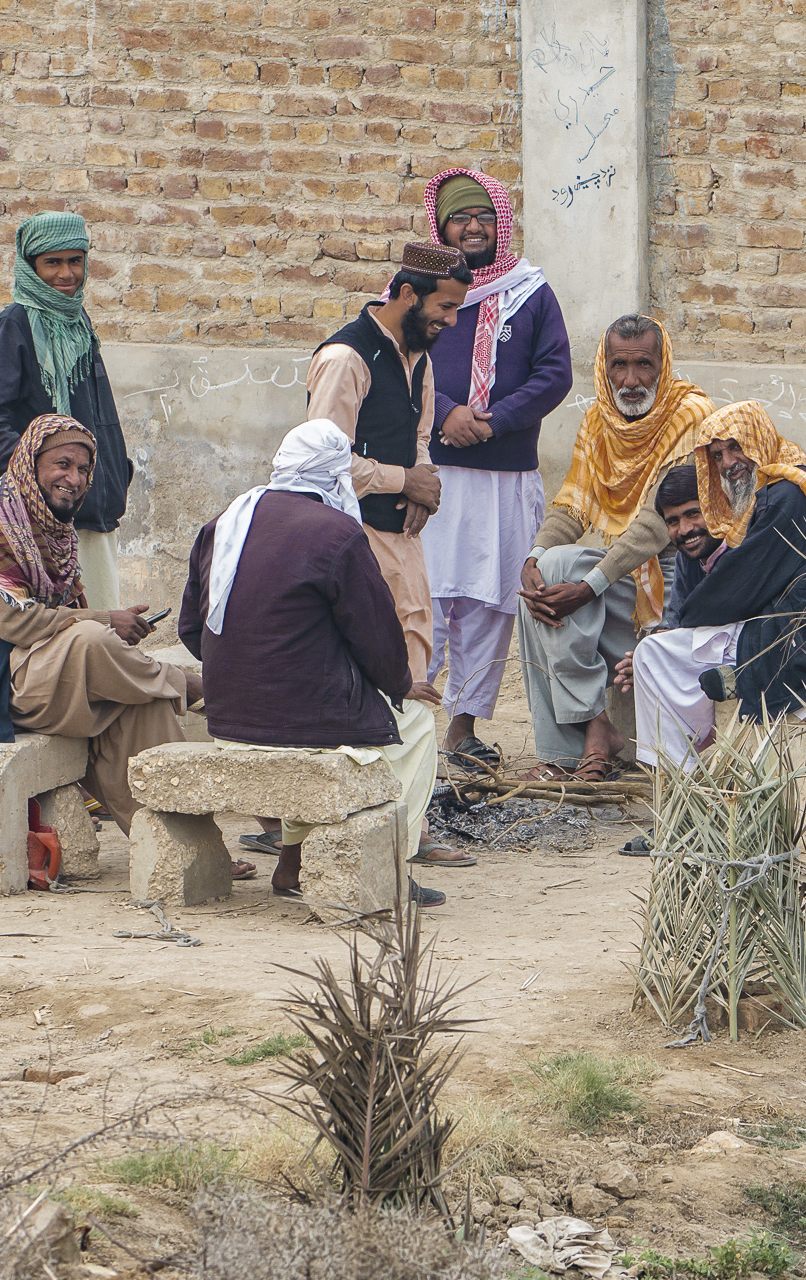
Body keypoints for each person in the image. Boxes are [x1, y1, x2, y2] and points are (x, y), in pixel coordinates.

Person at [0, 415, 228, 868]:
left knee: (144, 703)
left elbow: (67, 617)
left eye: (83, 470)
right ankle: (188, 685)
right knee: (90, 642)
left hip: (37, 670)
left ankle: (182, 843)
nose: (74, 479)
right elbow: (16, 625)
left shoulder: (53, 530)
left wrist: (103, 626)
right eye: (62, 464)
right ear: (30, 463)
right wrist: (105, 621)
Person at [177, 421, 447, 907]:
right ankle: (385, 867)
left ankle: (292, 864)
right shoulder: (338, 533)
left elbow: (191, 632)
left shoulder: (224, 523)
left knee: (316, 716)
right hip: (303, 720)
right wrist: (401, 683)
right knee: (418, 726)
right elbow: (378, 641)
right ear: (335, 476)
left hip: (228, 719)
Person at [616, 401, 806, 771]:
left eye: (736, 447)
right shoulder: (794, 488)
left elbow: (735, 593)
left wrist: (677, 633)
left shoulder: (784, 498)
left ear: (760, 440)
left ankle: (679, 782)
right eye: (718, 454)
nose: (728, 462)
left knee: (652, 656)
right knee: (662, 650)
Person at [414, 168, 573, 770]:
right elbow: (394, 361)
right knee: (423, 598)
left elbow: (554, 373)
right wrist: (447, 414)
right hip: (432, 475)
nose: (472, 227)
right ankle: (405, 727)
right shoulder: (416, 287)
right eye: (460, 217)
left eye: (483, 217)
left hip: (506, 478)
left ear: (499, 224)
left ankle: (460, 731)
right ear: (440, 224)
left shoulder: (531, 290)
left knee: (490, 606)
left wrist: (494, 420)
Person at [515, 316, 716, 781]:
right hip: (625, 579)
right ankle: (579, 740)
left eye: (643, 365)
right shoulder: (599, 419)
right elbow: (572, 505)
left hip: (673, 590)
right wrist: (533, 557)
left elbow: (656, 524)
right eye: (619, 365)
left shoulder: (691, 415)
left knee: (568, 576)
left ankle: (595, 732)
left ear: (663, 365)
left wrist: (589, 588)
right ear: (604, 368)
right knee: (543, 580)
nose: (630, 380)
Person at [306, 240, 473, 684]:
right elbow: (323, 463)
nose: (451, 320)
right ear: (407, 295)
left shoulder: (418, 356)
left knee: (414, 652)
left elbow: (420, 435)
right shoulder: (345, 359)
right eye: (445, 306)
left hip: (403, 532)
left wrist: (422, 483)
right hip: (351, 533)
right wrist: (404, 481)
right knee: (368, 658)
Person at [0, 211, 132, 611]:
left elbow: (94, 417)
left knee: (101, 627)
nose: (66, 274)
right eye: (52, 262)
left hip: (92, 508)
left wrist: (115, 472)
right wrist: (39, 479)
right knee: (74, 636)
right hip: (48, 518)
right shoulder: (16, 323)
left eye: (75, 260)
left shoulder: (78, 321)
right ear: (31, 265)